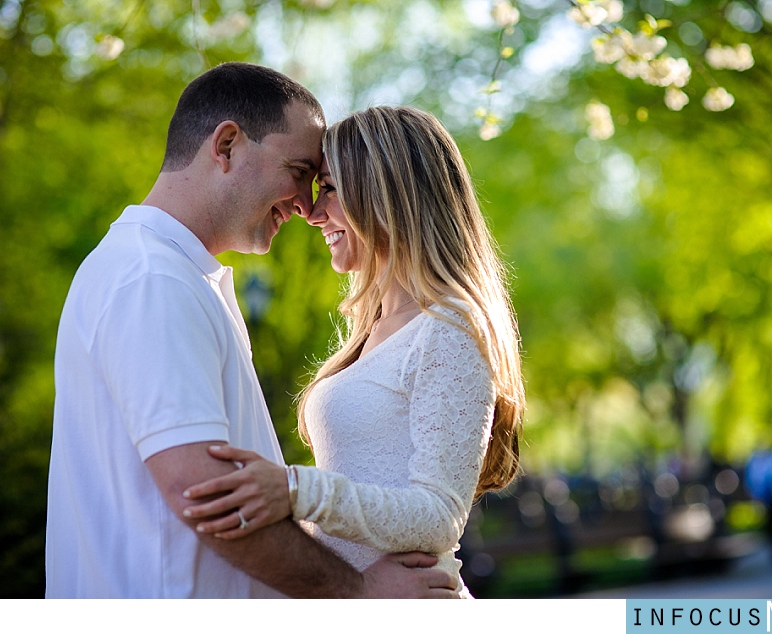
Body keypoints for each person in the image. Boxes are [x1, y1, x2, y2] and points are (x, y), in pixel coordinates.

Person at [46, 63, 456, 598]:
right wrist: (356, 594)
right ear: (227, 146)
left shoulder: (176, 275)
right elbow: (206, 494)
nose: (308, 206)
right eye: (299, 170)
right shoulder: (152, 279)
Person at [181, 106, 526, 597]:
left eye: (330, 190)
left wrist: (295, 490)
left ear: (389, 194)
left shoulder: (449, 330)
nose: (313, 213)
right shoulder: (371, 334)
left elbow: (438, 518)